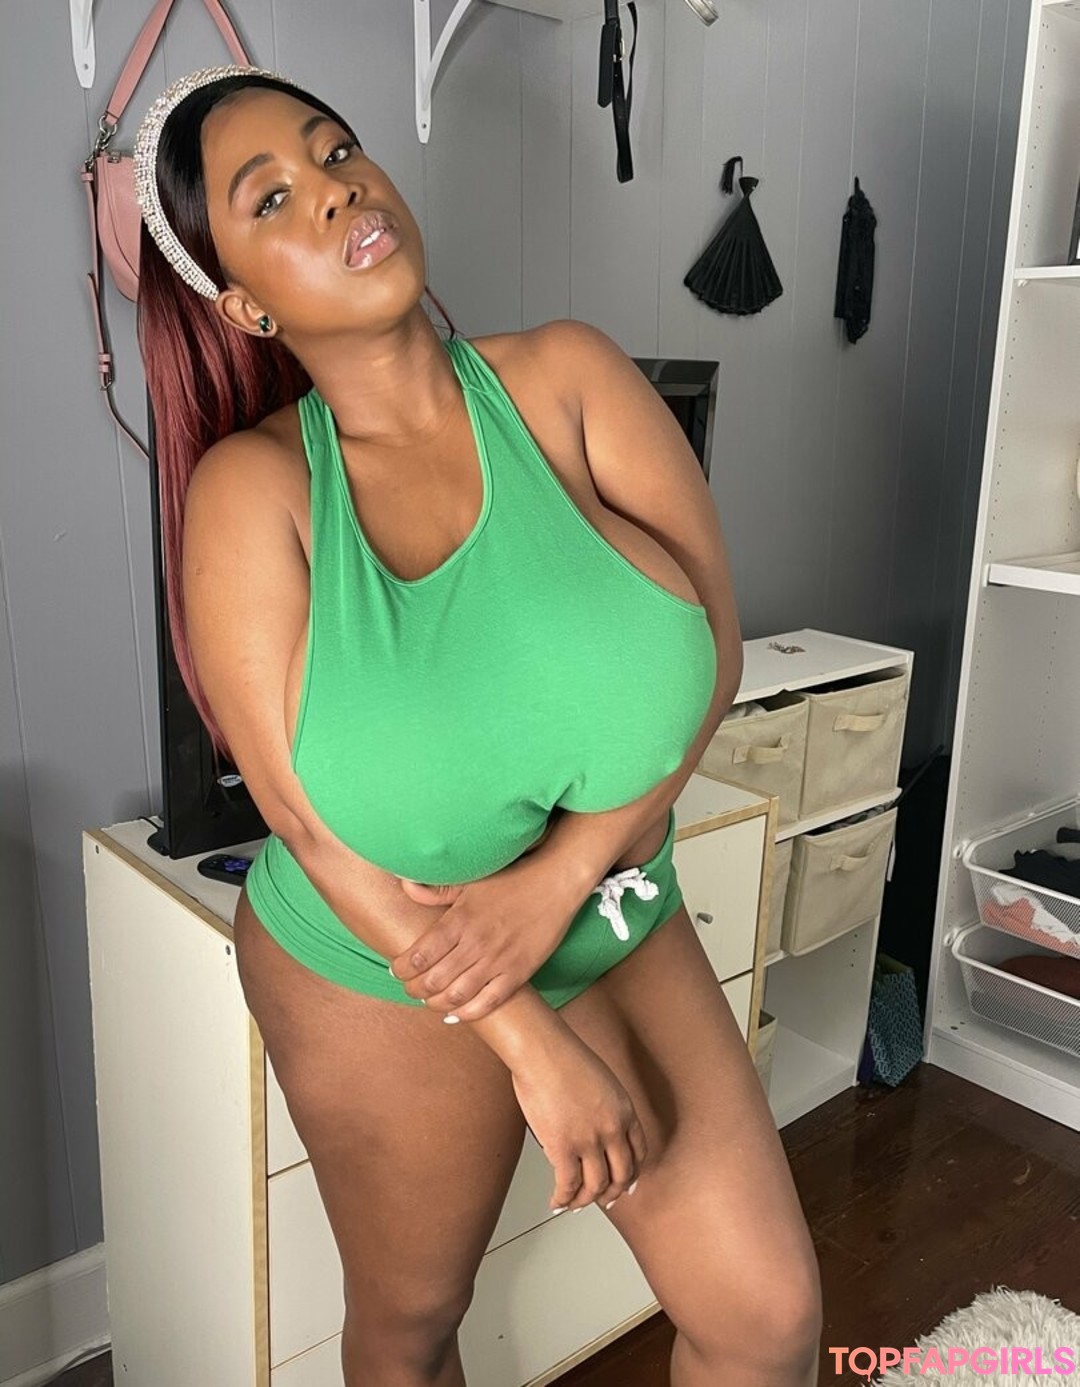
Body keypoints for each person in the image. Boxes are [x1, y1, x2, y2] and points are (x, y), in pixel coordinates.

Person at [133, 63, 822, 1387]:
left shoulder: (567, 378)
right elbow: (308, 828)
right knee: (412, 1325)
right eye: (272, 197)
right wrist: (527, 1039)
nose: (336, 190)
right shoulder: (252, 493)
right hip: (380, 958)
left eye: (338, 151)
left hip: (605, 902)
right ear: (244, 303)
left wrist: (563, 877)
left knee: (768, 1322)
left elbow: (718, 651)